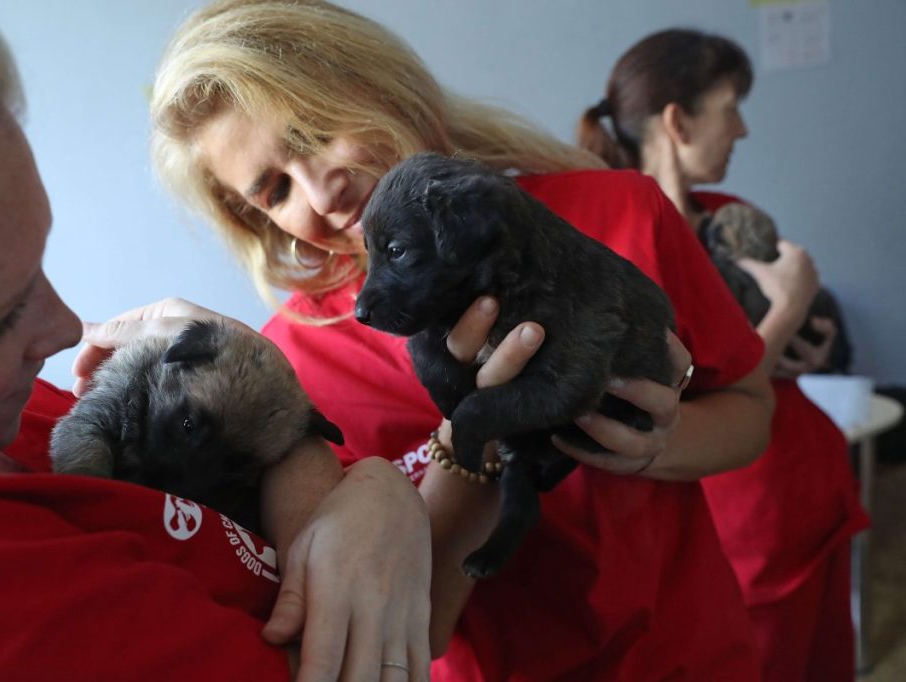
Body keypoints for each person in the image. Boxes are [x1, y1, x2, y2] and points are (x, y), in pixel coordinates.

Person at [139, 1, 779, 679]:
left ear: (385, 86)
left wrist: (651, 443)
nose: (321, 191)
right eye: (274, 189)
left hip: (693, 652)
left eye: (318, 128)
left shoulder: (622, 214)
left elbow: (750, 410)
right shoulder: (300, 367)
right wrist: (476, 446)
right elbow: (413, 627)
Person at [0, 1, 432, 679]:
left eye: (39, 267)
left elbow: (280, 455)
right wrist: (432, 485)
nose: (64, 329)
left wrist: (365, 492)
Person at [576, 28, 869, 681]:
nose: (742, 130)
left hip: (809, 490)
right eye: (731, 107)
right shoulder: (616, 246)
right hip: (742, 523)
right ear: (678, 121)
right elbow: (681, 400)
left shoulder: (730, 216)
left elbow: (754, 356)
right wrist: (789, 305)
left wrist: (805, 340)